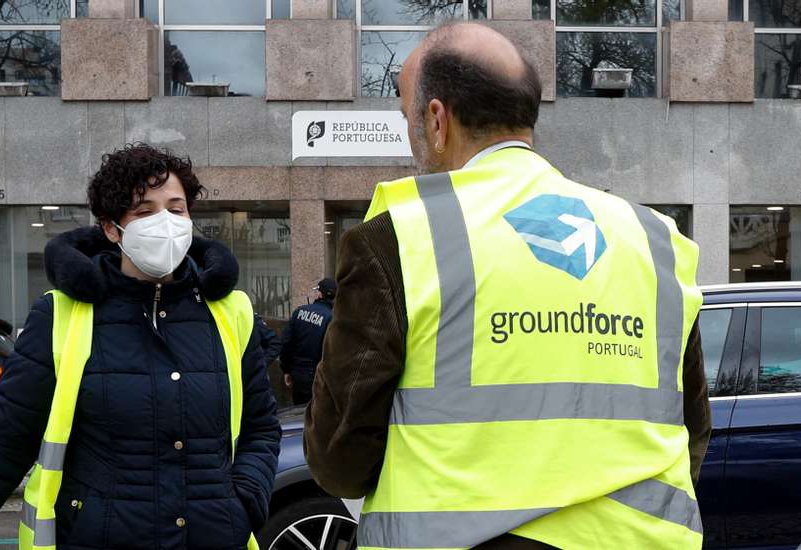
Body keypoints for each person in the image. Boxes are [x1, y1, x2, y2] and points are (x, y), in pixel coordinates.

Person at [304, 22, 711, 550]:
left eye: (407, 114)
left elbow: (339, 460)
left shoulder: (403, 237)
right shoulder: (655, 241)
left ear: (436, 119)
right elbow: (691, 429)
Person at [0, 143, 281, 549]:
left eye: (176, 208)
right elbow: (1, 450)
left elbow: (261, 427)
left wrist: (244, 500)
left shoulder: (230, 312)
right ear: (112, 229)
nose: (165, 222)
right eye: (145, 211)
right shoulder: (61, 316)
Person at [279, 278, 335, 405]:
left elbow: (285, 343)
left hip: (298, 373)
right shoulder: (331, 318)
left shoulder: (300, 311)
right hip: (319, 377)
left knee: (299, 416)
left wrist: (287, 370)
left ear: (320, 294)